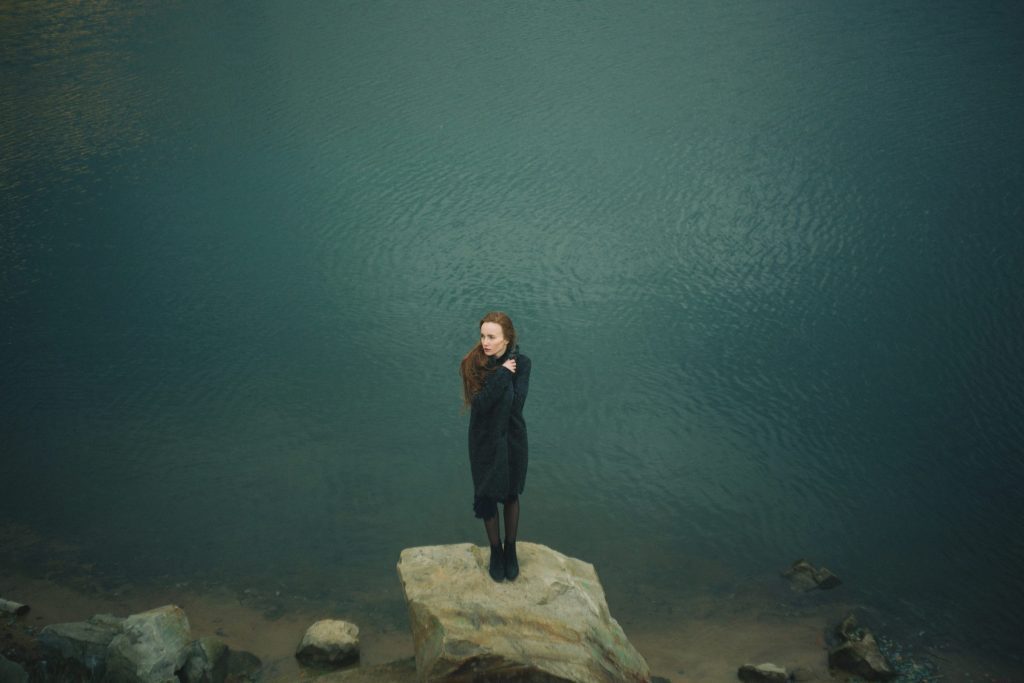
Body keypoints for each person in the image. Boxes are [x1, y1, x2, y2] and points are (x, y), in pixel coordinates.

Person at [460, 311, 531, 582]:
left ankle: (510, 550)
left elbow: (516, 403)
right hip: (483, 440)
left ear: (507, 339)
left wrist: (506, 373)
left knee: (511, 494)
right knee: (487, 495)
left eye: (492, 337)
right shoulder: (473, 364)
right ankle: (495, 551)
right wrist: (501, 374)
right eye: (483, 336)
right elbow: (480, 405)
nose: (485, 342)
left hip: (512, 438)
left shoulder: (522, 364)